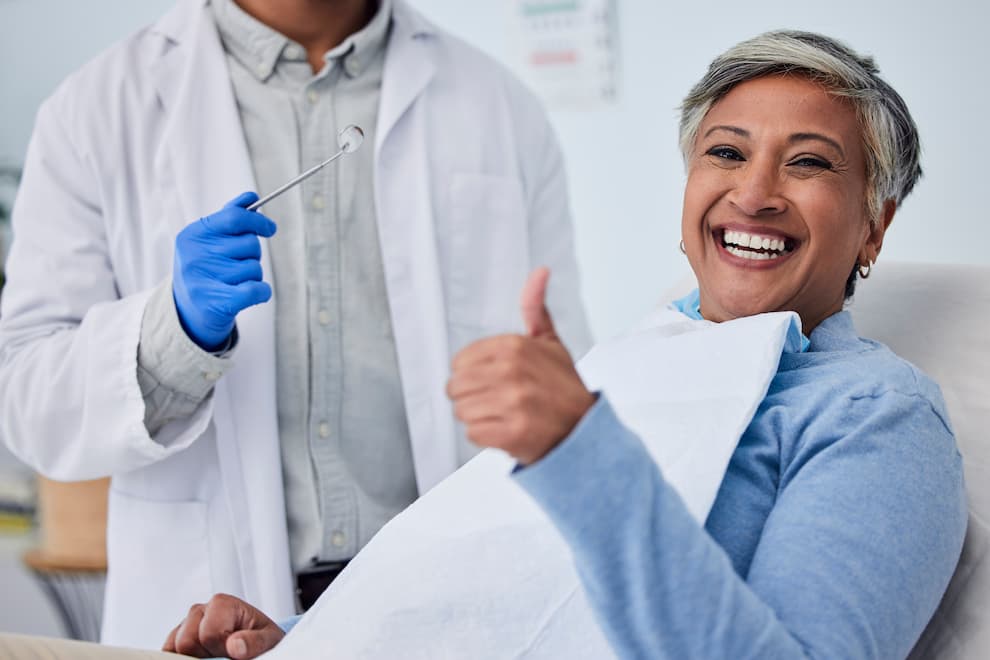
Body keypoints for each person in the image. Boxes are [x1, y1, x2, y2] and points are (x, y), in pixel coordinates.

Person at [144, 30, 965, 660]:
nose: (753, 193)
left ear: (875, 224)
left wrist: (584, 457)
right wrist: (308, 638)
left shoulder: (875, 418)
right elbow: (494, 586)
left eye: (810, 164)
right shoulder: (628, 363)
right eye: (725, 152)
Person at [0, 0, 591, 649]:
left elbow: (566, 373)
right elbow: (30, 407)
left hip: (451, 612)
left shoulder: (498, 105)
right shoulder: (97, 109)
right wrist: (174, 334)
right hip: (211, 619)